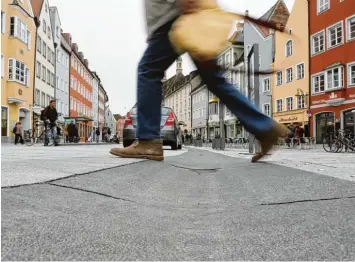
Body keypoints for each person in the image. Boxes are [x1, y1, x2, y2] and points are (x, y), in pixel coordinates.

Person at [110, 0, 289, 162]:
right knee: (214, 80)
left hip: (175, 17)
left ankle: (148, 139)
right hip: (182, 16)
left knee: (148, 70)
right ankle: (265, 128)